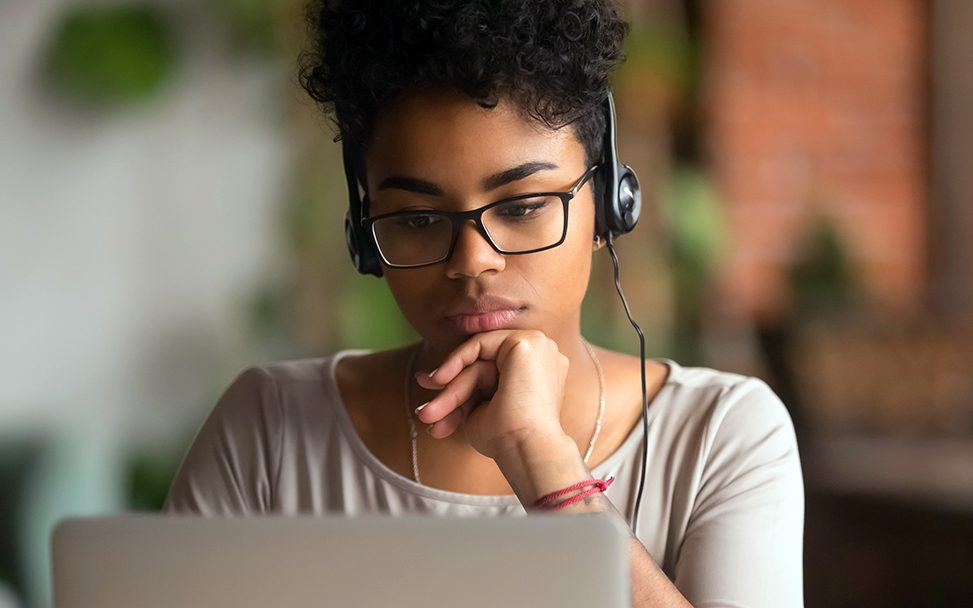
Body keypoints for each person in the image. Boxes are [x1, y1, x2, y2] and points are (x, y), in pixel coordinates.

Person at [163, 1, 804, 605]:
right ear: (366, 234)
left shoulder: (721, 437)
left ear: (609, 204)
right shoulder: (268, 433)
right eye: (416, 219)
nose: (472, 262)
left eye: (523, 207)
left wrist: (540, 458)